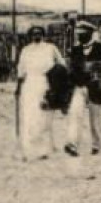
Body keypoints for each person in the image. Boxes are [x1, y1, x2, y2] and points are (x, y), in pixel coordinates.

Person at [66, 22, 101, 157]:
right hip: (80, 87)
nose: (80, 37)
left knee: (95, 118)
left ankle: (96, 144)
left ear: (90, 34)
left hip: (96, 89)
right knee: (75, 115)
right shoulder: (75, 50)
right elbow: (70, 70)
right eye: (78, 34)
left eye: (83, 34)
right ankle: (73, 144)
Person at [16, 28, 67, 161]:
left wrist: (56, 82)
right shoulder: (26, 50)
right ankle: (29, 148)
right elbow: (21, 70)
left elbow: (61, 65)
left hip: (46, 84)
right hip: (29, 85)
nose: (36, 36)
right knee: (29, 116)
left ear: (43, 35)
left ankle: (45, 148)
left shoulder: (51, 48)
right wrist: (18, 88)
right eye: (34, 34)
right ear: (30, 36)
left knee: (45, 116)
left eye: (39, 33)